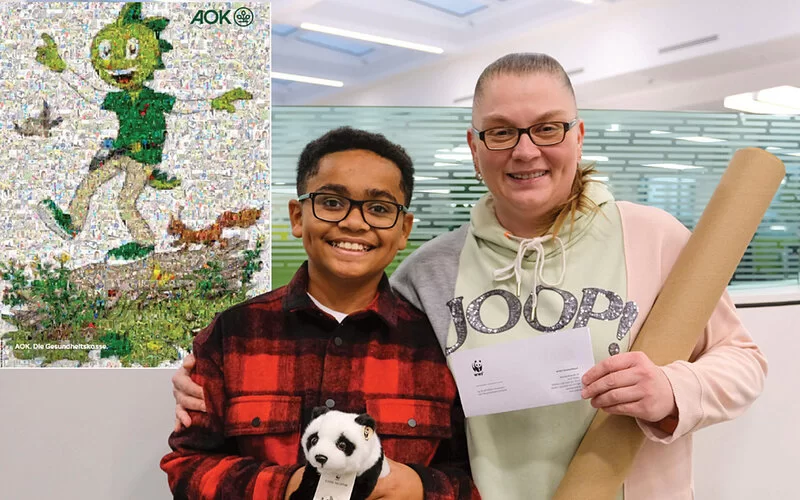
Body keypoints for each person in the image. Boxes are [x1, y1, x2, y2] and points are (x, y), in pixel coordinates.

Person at [172, 53, 767, 499]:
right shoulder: (427, 273)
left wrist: (672, 392)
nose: (526, 151)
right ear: (476, 146)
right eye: (502, 131)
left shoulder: (654, 235)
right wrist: (210, 374)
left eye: (549, 127)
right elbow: (355, 361)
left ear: (578, 135)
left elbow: (743, 362)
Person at [160, 127, 479, 500]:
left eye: (379, 208)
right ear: (298, 216)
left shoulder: (435, 343)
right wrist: (291, 487)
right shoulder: (234, 334)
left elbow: (472, 472)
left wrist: (421, 489)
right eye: (331, 202)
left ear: (403, 229)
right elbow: (188, 466)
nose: (355, 223)